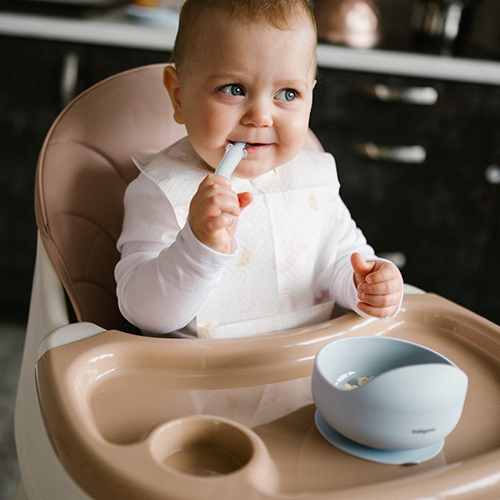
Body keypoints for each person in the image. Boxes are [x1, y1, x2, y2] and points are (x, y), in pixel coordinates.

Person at [115, 0, 403, 338]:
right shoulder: (161, 189)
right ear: (179, 96)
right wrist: (197, 245)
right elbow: (143, 313)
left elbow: (341, 261)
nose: (261, 117)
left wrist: (367, 285)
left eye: (288, 93)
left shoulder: (313, 180)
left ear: (310, 96)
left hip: (307, 362)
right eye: (234, 90)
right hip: (202, 369)